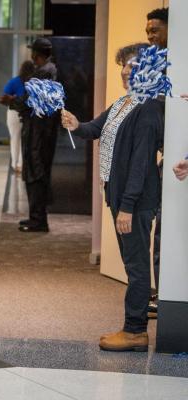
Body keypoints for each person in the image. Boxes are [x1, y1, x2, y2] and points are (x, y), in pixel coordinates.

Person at [61, 43, 164, 352]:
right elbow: (95, 128)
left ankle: (135, 331)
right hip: (119, 196)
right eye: (123, 65)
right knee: (132, 262)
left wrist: (128, 207)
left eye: (132, 66)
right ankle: (133, 328)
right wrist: (76, 124)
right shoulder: (124, 102)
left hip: (135, 201)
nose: (125, 70)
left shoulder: (148, 106)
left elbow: (141, 162)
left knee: (136, 267)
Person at [3, 37, 59, 232]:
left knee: (36, 173)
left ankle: (38, 219)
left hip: (38, 132)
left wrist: (11, 100)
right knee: (37, 172)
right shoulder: (50, 71)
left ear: (36, 54)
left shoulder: (43, 73)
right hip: (42, 131)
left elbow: (28, 102)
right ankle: (36, 216)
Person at [145, 6, 168, 319]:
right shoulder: (152, 61)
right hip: (161, 152)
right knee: (158, 227)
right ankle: (160, 291)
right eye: (148, 30)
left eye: (155, 30)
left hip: (176, 153)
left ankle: (166, 294)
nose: (150, 35)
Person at [0, 60, 35, 173]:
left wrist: (13, 99)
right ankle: (21, 164)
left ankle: (15, 164)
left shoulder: (14, 81)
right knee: (25, 139)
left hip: (14, 113)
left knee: (15, 138)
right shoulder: (33, 82)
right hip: (27, 113)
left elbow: (3, 97)